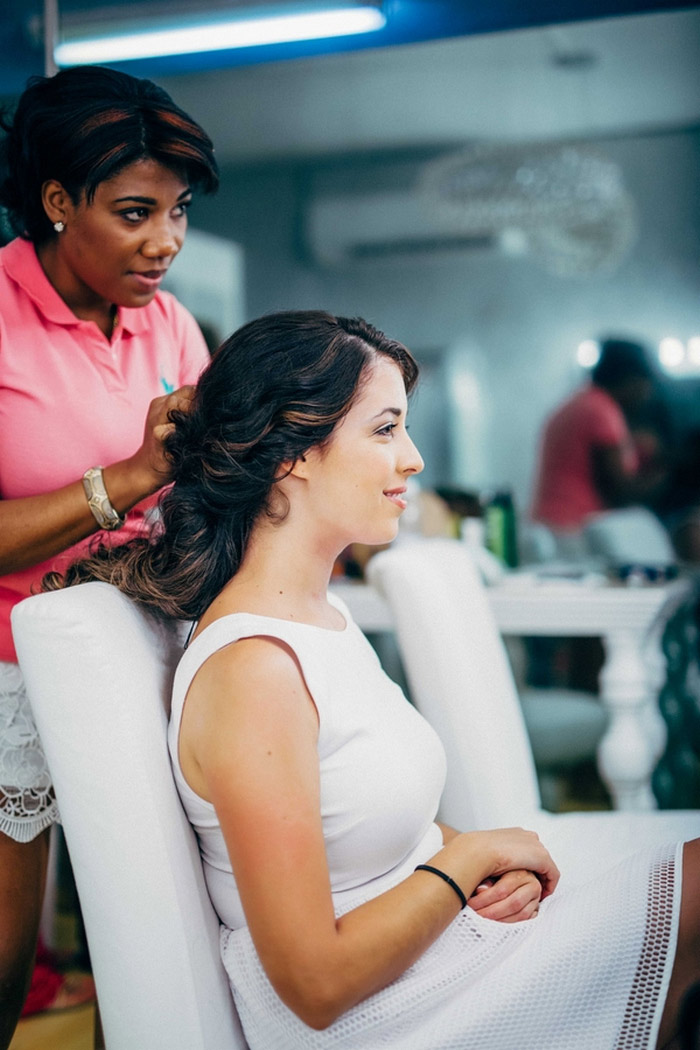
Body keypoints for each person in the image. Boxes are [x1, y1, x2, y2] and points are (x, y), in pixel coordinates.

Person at [50, 310, 698, 1050]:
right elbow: (315, 985)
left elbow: (368, 823)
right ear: (292, 451)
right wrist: (466, 860)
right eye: (386, 429)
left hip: (426, 957)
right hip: (384, 1018)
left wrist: (476, 859)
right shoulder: (256, 673)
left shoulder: (318, 619)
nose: (415, 460)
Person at [0, 64, 218, 1044]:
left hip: (143, 648)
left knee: (153, 933)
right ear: (57, 201)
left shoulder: (168, 322)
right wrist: (123, 481)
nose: (165, 242)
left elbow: (211, 484)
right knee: (7, 953)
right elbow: (141, 476)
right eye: (136, 212)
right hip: (9, 666)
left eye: (176, 212)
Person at [530, 337, 668, 549]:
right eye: (645, 384)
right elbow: (619, 491)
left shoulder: (577, 403)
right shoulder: (602, 410)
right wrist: (667, 474)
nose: (647, 393)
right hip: (578, 531)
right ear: (630, 380)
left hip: (549, 526)